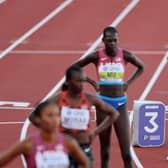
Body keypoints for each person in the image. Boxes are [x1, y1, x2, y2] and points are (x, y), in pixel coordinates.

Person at [71, 26, 144, 168]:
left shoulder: (125, 55)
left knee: (127, 154)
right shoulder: (96, 56)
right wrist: (92, 82)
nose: (112, 44)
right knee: (105, 152)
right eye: (109, 41)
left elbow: (141, 66)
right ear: (103, 40)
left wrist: (128, 83)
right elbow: (74, 68)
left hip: (120, 105)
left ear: (118, 40)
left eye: (115, 40)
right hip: (103, 104)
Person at [29, 65, 119, 168]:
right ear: (68, 82)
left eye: (83, 81)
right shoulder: (58, 99)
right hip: (64, 149)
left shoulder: (90, 99)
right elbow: (33, 116)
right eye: (78, 81)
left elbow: (114, 113)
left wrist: (95, 132)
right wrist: (49, 131)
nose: (81, 85)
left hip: (84, 148)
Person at [0, 101, 90, 168]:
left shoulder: (68, 142)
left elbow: (85, 163)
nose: (55, 120)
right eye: (50, 115)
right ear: (38, 119)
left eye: (57, 115)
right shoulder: (29, 144)